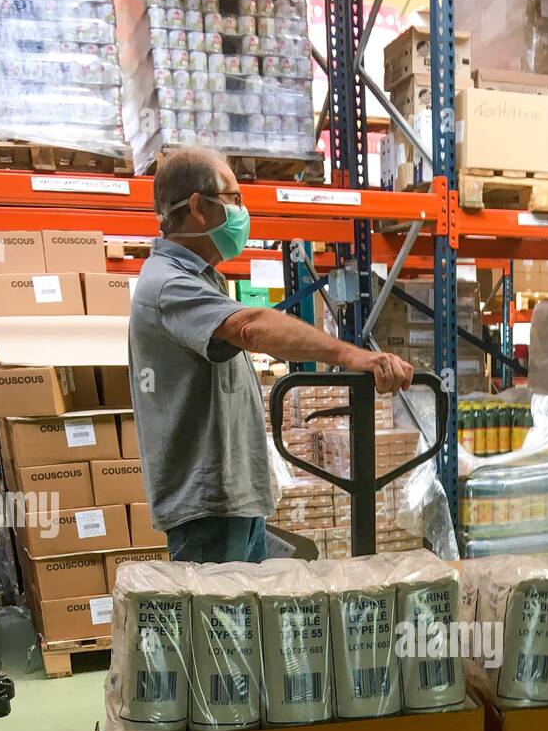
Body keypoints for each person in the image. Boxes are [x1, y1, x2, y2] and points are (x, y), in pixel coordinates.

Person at [128, 146, 413, 564]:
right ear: (198, 207)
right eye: (234, 199)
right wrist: (354, 357)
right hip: (208, 512)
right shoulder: (168, 284)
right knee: (222, 610)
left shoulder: (199, 280)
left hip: (230, 503)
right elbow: (252, 327)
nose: (242, 212)